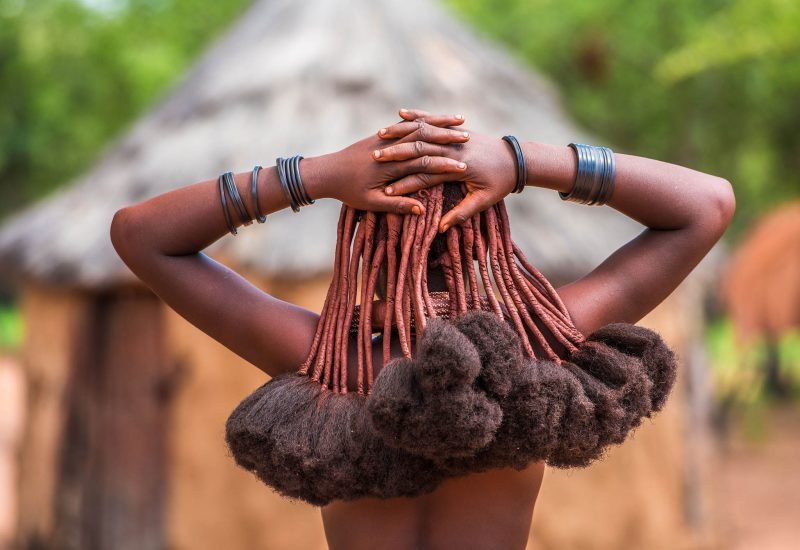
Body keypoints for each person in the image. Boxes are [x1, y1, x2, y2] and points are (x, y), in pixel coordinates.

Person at [110, 108, 735, 550]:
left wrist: (317, 176)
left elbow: (140, 236)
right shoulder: (535, 352)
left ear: (363, 239)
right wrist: (523, 162)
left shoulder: (327, 364)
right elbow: (706, 205)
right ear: (489, 238)